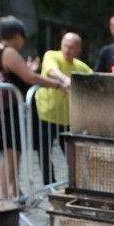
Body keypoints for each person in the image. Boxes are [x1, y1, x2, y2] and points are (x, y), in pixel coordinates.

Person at [0, 15, 64, 200]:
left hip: (6, 107)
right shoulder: (9, 52)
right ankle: (7, 198)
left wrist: (28, 68)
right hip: (12, 108)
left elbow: (20, 74)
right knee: (11, 155)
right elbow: (30, 78)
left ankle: (15, 192)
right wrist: (55, 84)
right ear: (17, 36)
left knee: (14, 153)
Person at [34, 32, 92, 186]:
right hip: (45, 115)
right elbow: (51, 70)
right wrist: (66, 80)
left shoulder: (80, 66)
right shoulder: (51, 55)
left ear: (79, 49)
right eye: (65, 45)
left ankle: (76, 183)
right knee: (44, 153)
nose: (67, 50)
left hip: (67, 119)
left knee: (71, 153)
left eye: (72, 47)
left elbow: (93, 79)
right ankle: (49, 184)